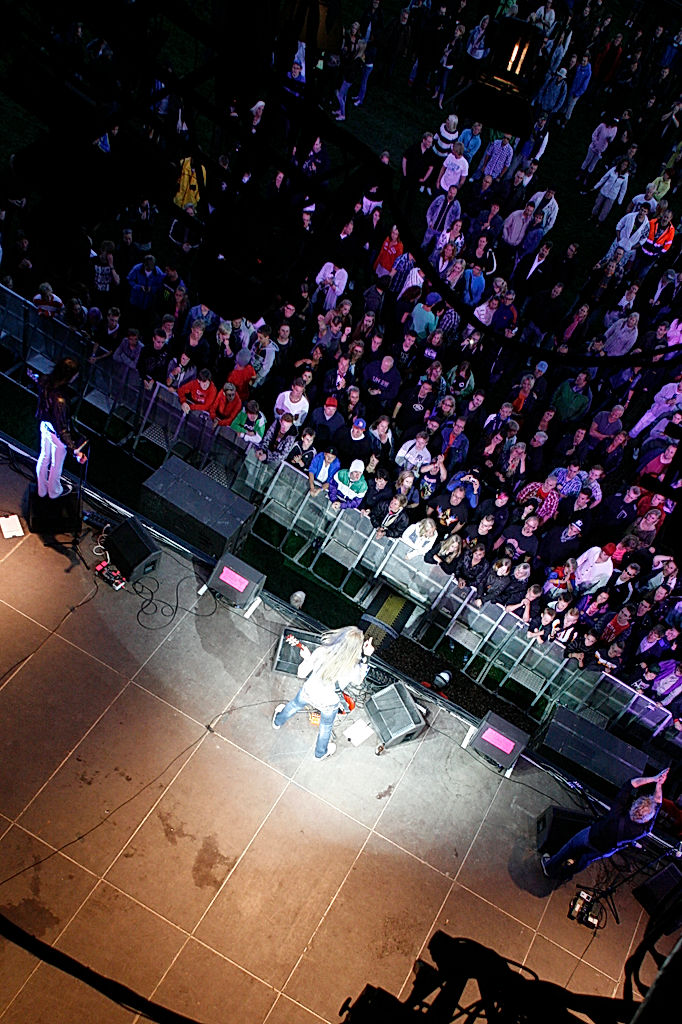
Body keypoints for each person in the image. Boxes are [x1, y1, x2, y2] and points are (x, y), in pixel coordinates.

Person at [541, 770, 669, 883]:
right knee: (585, 860)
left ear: (634, 805)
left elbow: (630, 784)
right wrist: (659, 784)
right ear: (648, 817)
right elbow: (658, 802)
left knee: (570, 847)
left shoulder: (616, 813)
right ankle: (566, 874)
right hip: (605, 849)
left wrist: (655, 779)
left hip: (592, 836)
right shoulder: (645, 830)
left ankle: (549, 867)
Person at [272, 627, 375, 760]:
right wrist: (366, 655)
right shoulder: (353, 668)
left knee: (294, 705)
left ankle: (277, 721)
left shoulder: (322, 651)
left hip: (309, 692)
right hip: (329, 703)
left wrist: (308, 659)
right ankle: (320, 753)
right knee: (325, 727)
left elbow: (301, 673)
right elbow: (359, 681)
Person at [35, 357, 87, 499]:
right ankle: (54, 492)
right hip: (55, 434)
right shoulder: (60, 400)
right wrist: (75, 451)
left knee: (44, 457)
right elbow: (62, 430)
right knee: (56, 465)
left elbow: (37, 380)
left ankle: (41, 490)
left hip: (44, 426)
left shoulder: (45, 380)